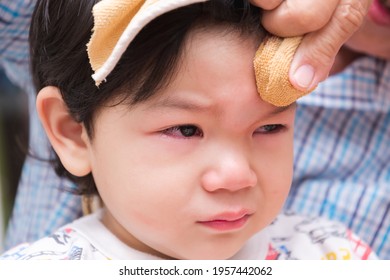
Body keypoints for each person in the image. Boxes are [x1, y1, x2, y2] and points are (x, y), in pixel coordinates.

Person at [2, 0, 384, 257]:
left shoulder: (333, 251)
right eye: (186, 130)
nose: (237, 176)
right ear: (72, 131)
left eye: (269, 127)